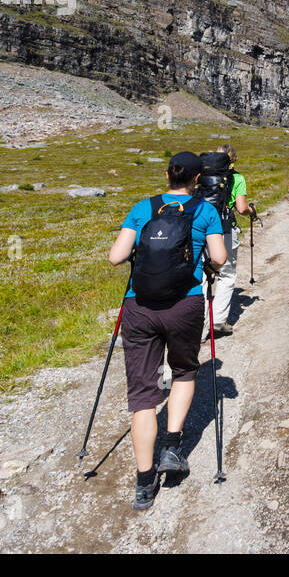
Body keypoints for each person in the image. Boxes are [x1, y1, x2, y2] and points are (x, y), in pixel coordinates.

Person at [108, 151, 227, 510]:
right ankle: (172, 447)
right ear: (197, 179)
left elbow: (115, 257)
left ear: (167, 174)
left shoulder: (142, 207)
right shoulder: (204, 210)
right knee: (184, 370)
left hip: (139, 306)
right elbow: (219, 259)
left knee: (143, 394)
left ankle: (144, 483)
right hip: (184, 304)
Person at [205, 144, 256, 336]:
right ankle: (217, 320)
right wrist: (252, 211)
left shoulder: (202, 175)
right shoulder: (237, 178)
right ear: (233, 159)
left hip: (202, 227)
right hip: (225, 228)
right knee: (226, 274)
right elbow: (241, 209)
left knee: (202, 274)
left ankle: (199, 325)